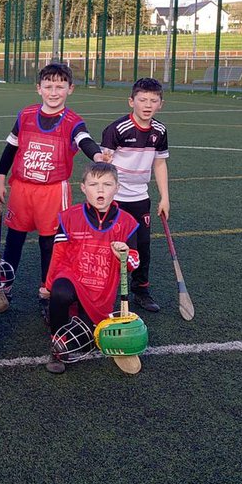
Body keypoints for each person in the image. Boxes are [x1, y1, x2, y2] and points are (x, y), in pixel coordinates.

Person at [0, 62, 102, 318]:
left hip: (53, 192)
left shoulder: (73, 121)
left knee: (50, 244)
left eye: (60, 87)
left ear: (70, 89)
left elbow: (83, 140)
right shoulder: (26, 115)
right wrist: (0, 177)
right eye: (48, 86)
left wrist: (96, 155)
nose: (54, 92)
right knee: (14, 240)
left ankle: (47, 291)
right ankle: (5, 286)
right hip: (22, 188)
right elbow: (11, 148)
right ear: (38, 88)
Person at [43, 162, 140, 373]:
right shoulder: (69, 217)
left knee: (86, 340)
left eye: (107, 184)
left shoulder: (128, 222)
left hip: (102, 287)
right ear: (83, 187)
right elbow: (58, 254)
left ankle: (77, 316)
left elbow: (134, 263)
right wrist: (49, 286)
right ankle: (57, 345)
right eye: (94, 184)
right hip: (73, 276)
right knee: (60, 292)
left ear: (117, 187)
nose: (101, 190)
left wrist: (124, 255)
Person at [100, 77, 170, 313]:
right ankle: (107, 290)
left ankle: (141, 289)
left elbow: (159, 164)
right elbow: (104, 166)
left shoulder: (160, 131)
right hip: (115, 199)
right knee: (111, 245)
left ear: (161, 103)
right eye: (142, 100)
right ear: (131, 101)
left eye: (153, 100)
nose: (147, 105)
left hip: (140, 198)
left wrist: (164, 197)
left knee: (142, 246)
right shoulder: (117, 129)